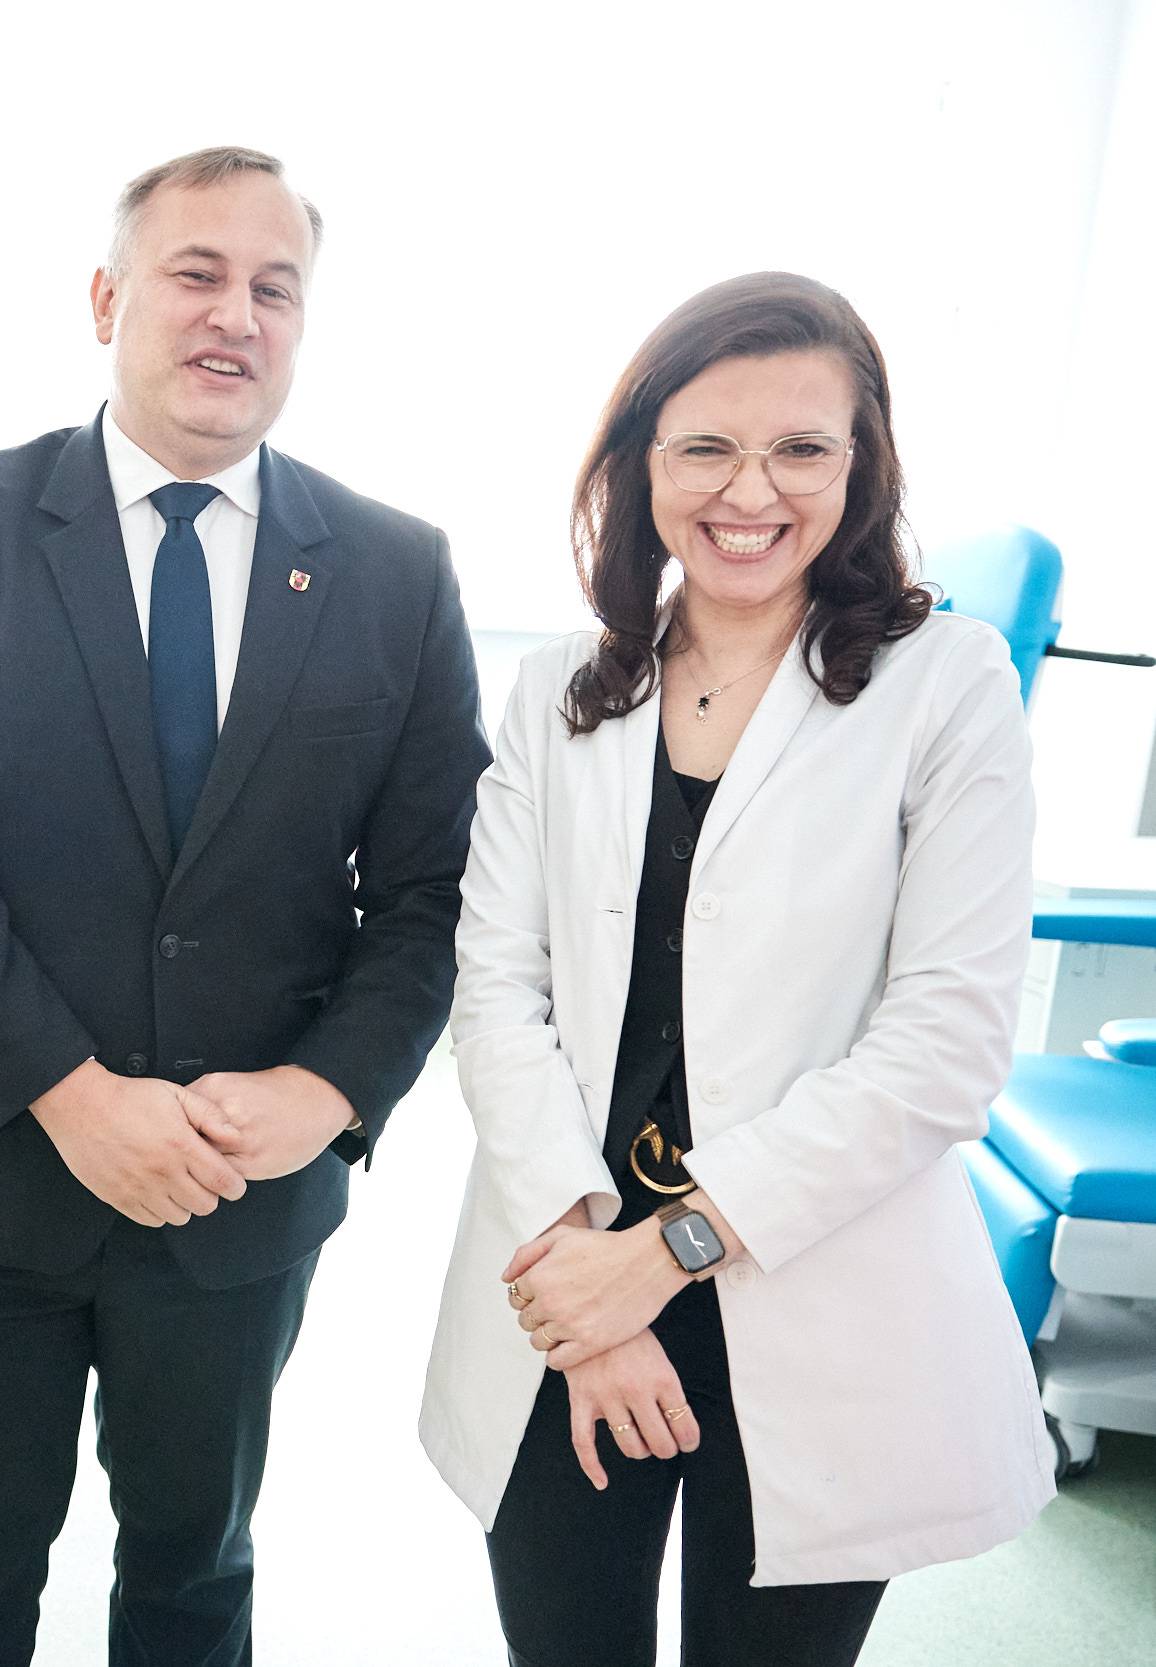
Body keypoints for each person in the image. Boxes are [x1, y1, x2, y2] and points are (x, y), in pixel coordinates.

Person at [0, 145, 489, 1666]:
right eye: (198, 273)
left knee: (195, 1573)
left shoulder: (393, 569)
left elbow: (432, 890)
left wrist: (326, 1093)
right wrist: (71, 1095)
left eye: (276, 287)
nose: (235, 315)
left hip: (236, 1191)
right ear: (106, 297)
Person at [418, 271, 1055, 1667]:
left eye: (801, 448)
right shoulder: (560, 686)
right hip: (564, 1266)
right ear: (639, 462)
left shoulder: (946, 684)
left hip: (814, 1273)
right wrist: (588, 1281)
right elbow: (496, 991)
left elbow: (944, 1043)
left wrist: (665, 1253)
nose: (749, 490)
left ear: (861, 465)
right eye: (704, 446)